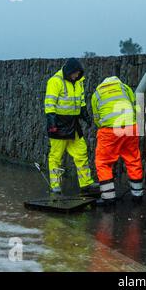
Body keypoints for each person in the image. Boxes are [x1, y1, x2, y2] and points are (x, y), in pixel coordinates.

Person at [44, 58, 98, 196]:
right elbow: (49, 104)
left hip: (73, 124)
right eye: (75, 74)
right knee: (56, 157)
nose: (76, 76)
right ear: (69, 72)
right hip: (58, 124)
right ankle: (55, 186)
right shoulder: (55, 81)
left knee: (81, 152)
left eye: (78, 74)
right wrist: (52, 123)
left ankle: (86, 183)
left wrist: (86, 117)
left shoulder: (78, 82)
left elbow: (80, 102)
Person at [91, 76, 143, 206]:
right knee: (133, 159)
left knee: (103, 163)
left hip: (110, 131)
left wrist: (103, 126)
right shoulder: (124, 88)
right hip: (131, 127)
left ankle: (108, 199)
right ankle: (137, 195)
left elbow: (96, 117)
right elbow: (133, 104)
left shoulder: (97, 94)